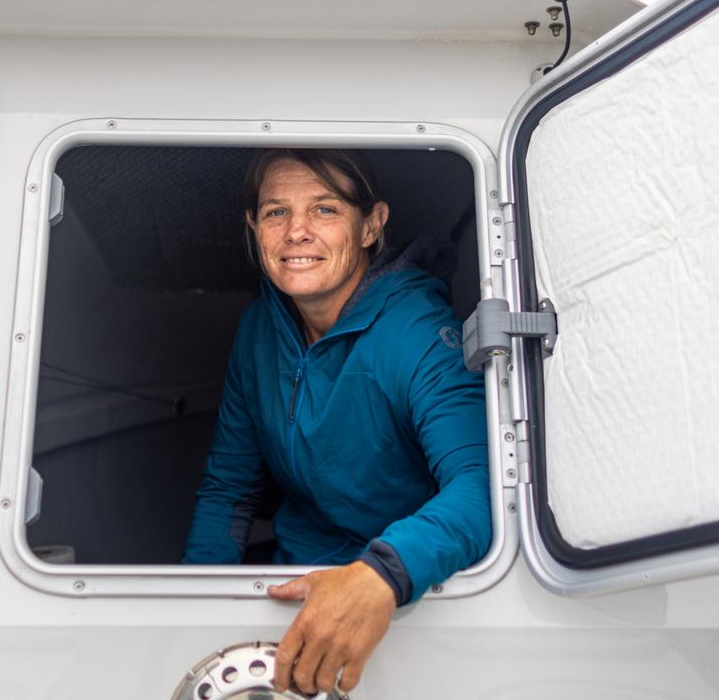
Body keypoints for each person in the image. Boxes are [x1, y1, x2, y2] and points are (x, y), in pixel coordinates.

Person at [182, 148, 491, 695]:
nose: (297, 231)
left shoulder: (417, 334)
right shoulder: (259, 330)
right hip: (291, 587)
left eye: (325, 209)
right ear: (254, 228)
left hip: (408, 595)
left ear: (371, 224)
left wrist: (381, 575)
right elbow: (227, 491)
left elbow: (484, 487)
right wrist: (194, 613)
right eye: (276, 212)